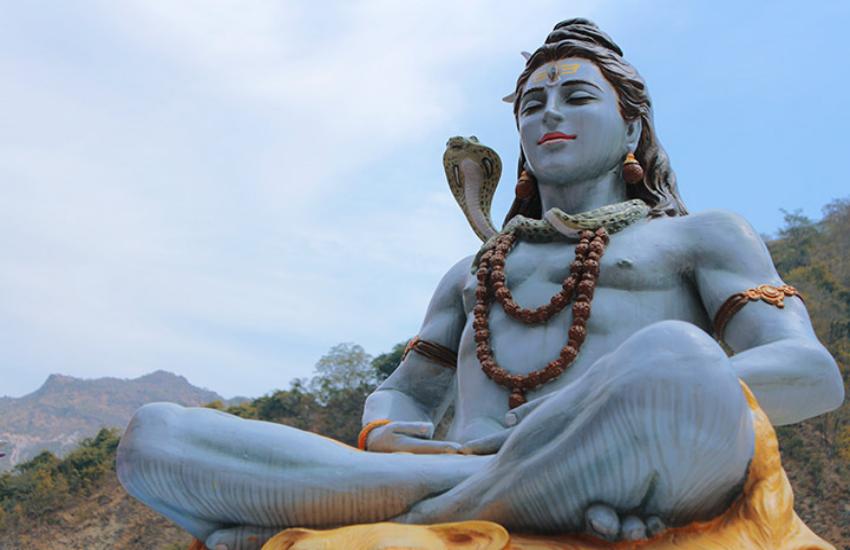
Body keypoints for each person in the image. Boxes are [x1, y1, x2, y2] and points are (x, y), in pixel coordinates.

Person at [117, 19, 844, 549]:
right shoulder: (472, 272)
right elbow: (407, 391)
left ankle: (392, 514)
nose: (549, 113)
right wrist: (382, 427)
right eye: (532, 106)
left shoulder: (699, 236)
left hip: (623, 442)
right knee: (157, 435)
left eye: (577, 98)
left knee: (679, 360)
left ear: (632, 132)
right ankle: (463, 496)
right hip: (489, 471)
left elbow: (810, 373)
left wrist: (588, 407)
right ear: (519, 139)